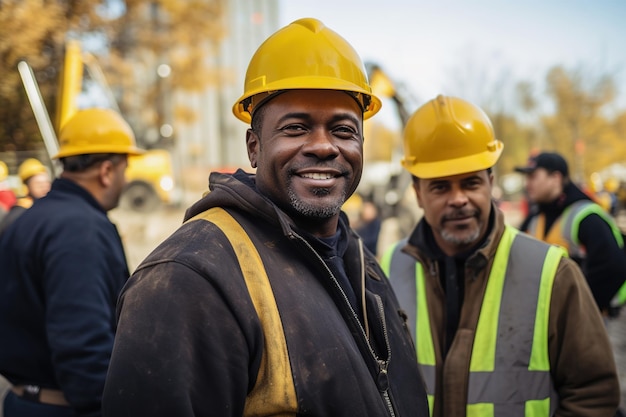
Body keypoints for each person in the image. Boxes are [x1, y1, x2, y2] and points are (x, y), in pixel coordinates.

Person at [102, 18, 429, 417]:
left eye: (343, 129)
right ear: (254, 147)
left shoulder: (359, 261)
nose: (324, 146)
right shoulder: (189, 279)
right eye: (296, 128)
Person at [381, 95, 620, 417]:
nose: (459, 199)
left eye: (471, 183)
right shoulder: (388, 267)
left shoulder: (552, 274)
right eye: (440, 187)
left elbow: (593, 397)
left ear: (490, 183)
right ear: (418, 194)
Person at [0, 108, 144, 417]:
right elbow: (84, 346)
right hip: (66, 409)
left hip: (23, 401)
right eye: (124, 168)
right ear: (106, 171)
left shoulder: (31, 218)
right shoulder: (80, 229)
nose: (125, 178)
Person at [515, 151, 626, 316]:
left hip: (599, 318)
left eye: (533, 177)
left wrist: (579, 311)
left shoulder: (587, 216)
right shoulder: (536, 217)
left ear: (556, 178)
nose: (527, 184)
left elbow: (614, 267)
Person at [0, 157, 51, 235]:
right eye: (39, 184)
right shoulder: (18, 215)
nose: (44, 188)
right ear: (26, 186)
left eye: (46, 183)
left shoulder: (50, 207)